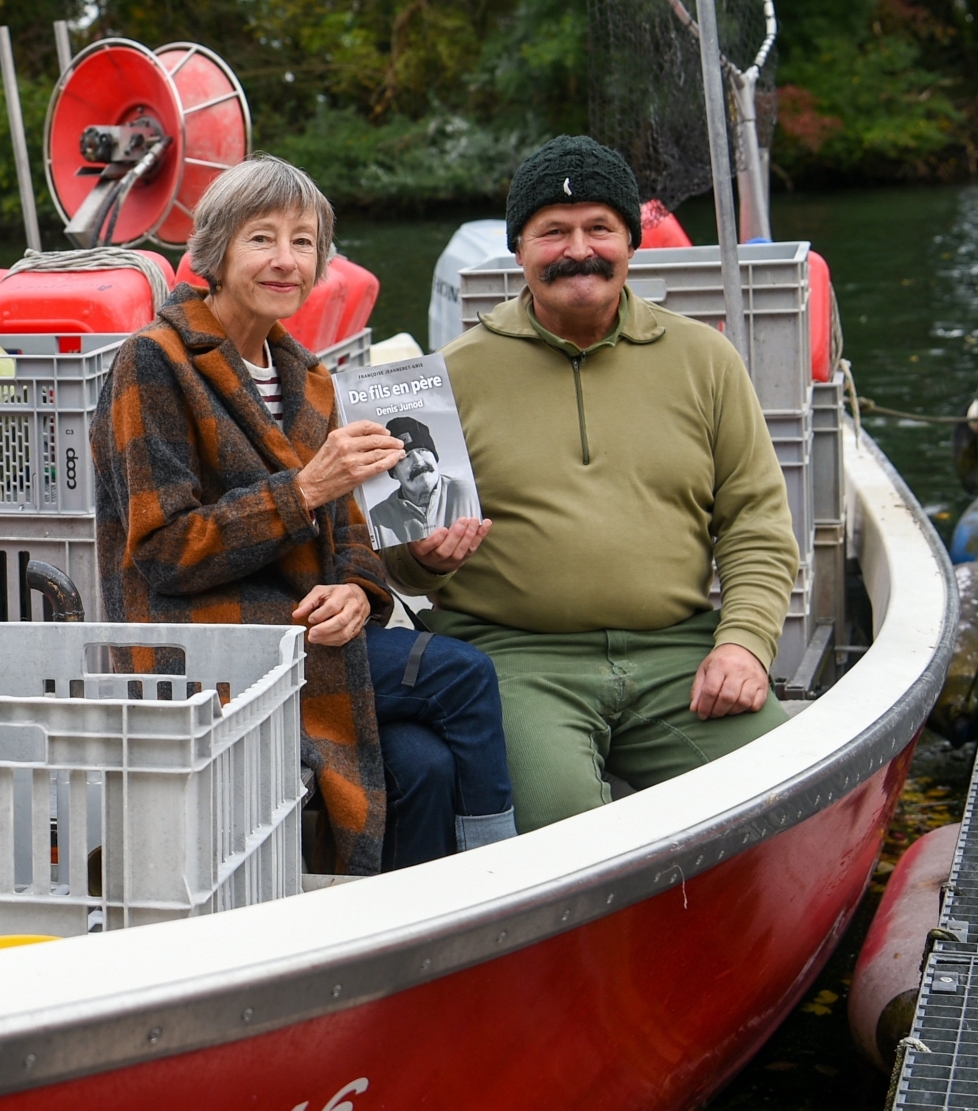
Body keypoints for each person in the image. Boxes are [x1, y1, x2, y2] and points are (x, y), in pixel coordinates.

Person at [91, 155, 516, 874]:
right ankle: (502, 890)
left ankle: (401, 944)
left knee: (425, 763)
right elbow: (163, 550)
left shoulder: (311, 376)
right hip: (202, 648)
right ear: (215, 254)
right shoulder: (154, 361)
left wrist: (359, 590)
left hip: (301, 637)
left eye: (304, 240)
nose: (286, 259)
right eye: (262, 238)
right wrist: (304, 489)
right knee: (466, 675)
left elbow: (352, 534)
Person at [385, 135, 799, 834]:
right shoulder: (442, 380)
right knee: (561, 828)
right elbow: (401, 556)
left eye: (599, 227)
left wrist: (743, 643)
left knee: (786, 788)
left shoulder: (707, 359)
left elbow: (756, 521)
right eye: (553, 231)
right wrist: (425, 557)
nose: (580, 249)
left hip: (680, 652)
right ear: (519, 249)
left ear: (631, 243)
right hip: (514, 660)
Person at [367, 416, 476, 547]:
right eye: (405, 457)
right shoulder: (377, 520)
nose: (418, 461)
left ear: (435, 457)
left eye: (422, 450)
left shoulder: (466, 493)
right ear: (394, 473)